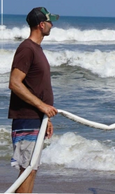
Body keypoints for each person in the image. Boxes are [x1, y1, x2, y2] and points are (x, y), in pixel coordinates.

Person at [8, 7, 59, 193]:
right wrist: (42, 106)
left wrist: (47, 118)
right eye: (50, 21)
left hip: (36, 119)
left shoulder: (36, 49)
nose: (52, 25)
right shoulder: (27, 48)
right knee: (27, 171)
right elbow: (14, 83)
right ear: (41, 24)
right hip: (26, 119)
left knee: (31, 169)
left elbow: (37, 87)